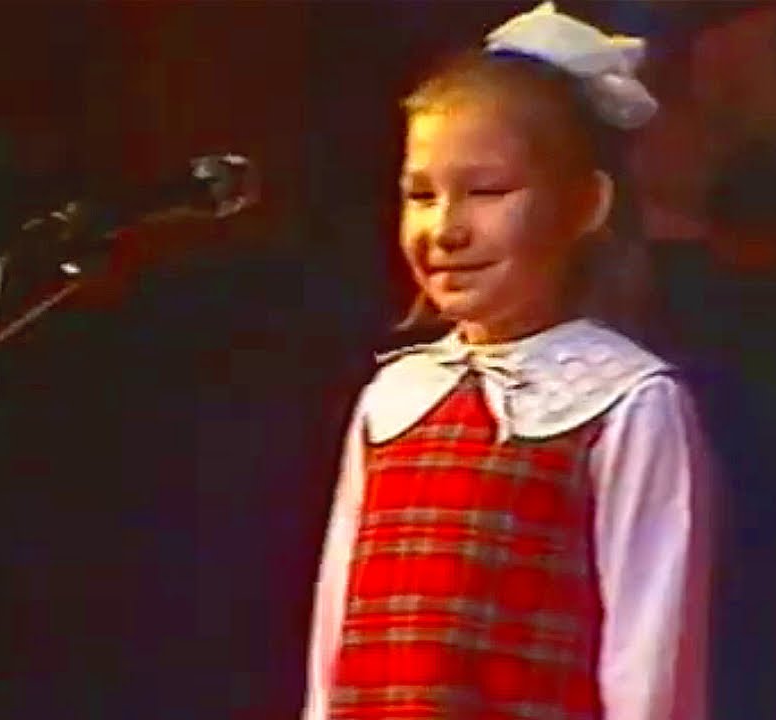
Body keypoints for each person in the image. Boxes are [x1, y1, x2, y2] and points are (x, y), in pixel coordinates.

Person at [302, 4, 713, 719]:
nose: (445, 228)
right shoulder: (393, 400)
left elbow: (650, 655)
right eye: (420, 195)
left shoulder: (623, 401)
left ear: (585, 205)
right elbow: (334, 645)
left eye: (487, 192)